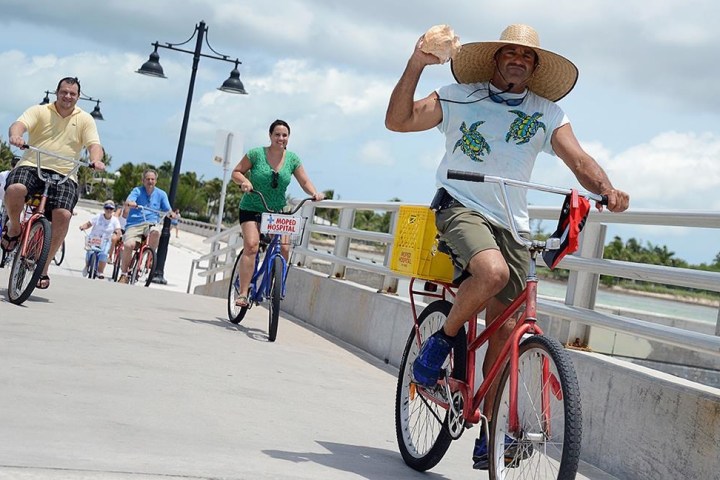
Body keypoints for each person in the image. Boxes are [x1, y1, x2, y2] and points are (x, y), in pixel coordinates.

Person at [385, 24, 630, 470]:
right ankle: (441, 343)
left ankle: (490, 431)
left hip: (513, 226)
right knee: (492, 274)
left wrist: (607, 188)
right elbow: (398, 121)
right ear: (496, 58)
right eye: (511, 52)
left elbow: (578, 160)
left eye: (528, 56)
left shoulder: (547, 112)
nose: (518, 60)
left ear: (535, 68)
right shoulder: (459, 96)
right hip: (461, 205)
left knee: (506, 331)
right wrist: (417, 64)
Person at [2, 76, 105, 289]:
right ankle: (13, 227)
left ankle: (44, 266)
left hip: (66, 174)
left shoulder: (85, 119)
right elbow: (19, 125)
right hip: (32, 164)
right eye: (64, 92)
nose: (68, 96)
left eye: (72, 93)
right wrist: (16, 136)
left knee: (63, 215)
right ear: (57, 92)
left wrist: (96, 159)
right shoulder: (41, 111)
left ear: (78, 97)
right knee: (15, 189)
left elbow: (94, 145)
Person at [230, 119, 325, 307]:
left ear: (288, 138)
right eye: (277, 134)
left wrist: (314, 192)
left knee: (284, 247)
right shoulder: (256, 154)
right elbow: (236, 172)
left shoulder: (292, 159)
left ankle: (275, 285)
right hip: (252, 207)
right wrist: (244, 182)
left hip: (277, 210)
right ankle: (242, 293)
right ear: (270, 136)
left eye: (284, 135)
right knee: (252, 245)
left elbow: (304, 181)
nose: (281, 138)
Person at [116, 169, 174, 284]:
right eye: (147, 179)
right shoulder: (137, 191)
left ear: (156, 181)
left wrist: (171, 214)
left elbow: (168, 209)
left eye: (152, 179)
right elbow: (129, 200)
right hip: (134, 224)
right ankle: (124, 274)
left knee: (156, 232)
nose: (150, 181)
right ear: (143, 180)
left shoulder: (161, 194)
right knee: (129, 245)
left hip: (151, 223)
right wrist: (131, 203)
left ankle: (150, 256)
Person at [78, 200, 122, 279]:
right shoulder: (98, 217)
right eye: (107, 208)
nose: (108, 210)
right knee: (90, 252)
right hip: (94, 238)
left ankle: (100, 271)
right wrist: (83, 226)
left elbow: (118, 229)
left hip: (105, 240)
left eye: (111, 209)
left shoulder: (115, 220)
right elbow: (89, 224)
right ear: (104, 208)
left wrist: (117, 232)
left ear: (113, 210)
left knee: (103, 254)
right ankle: (87, 265)